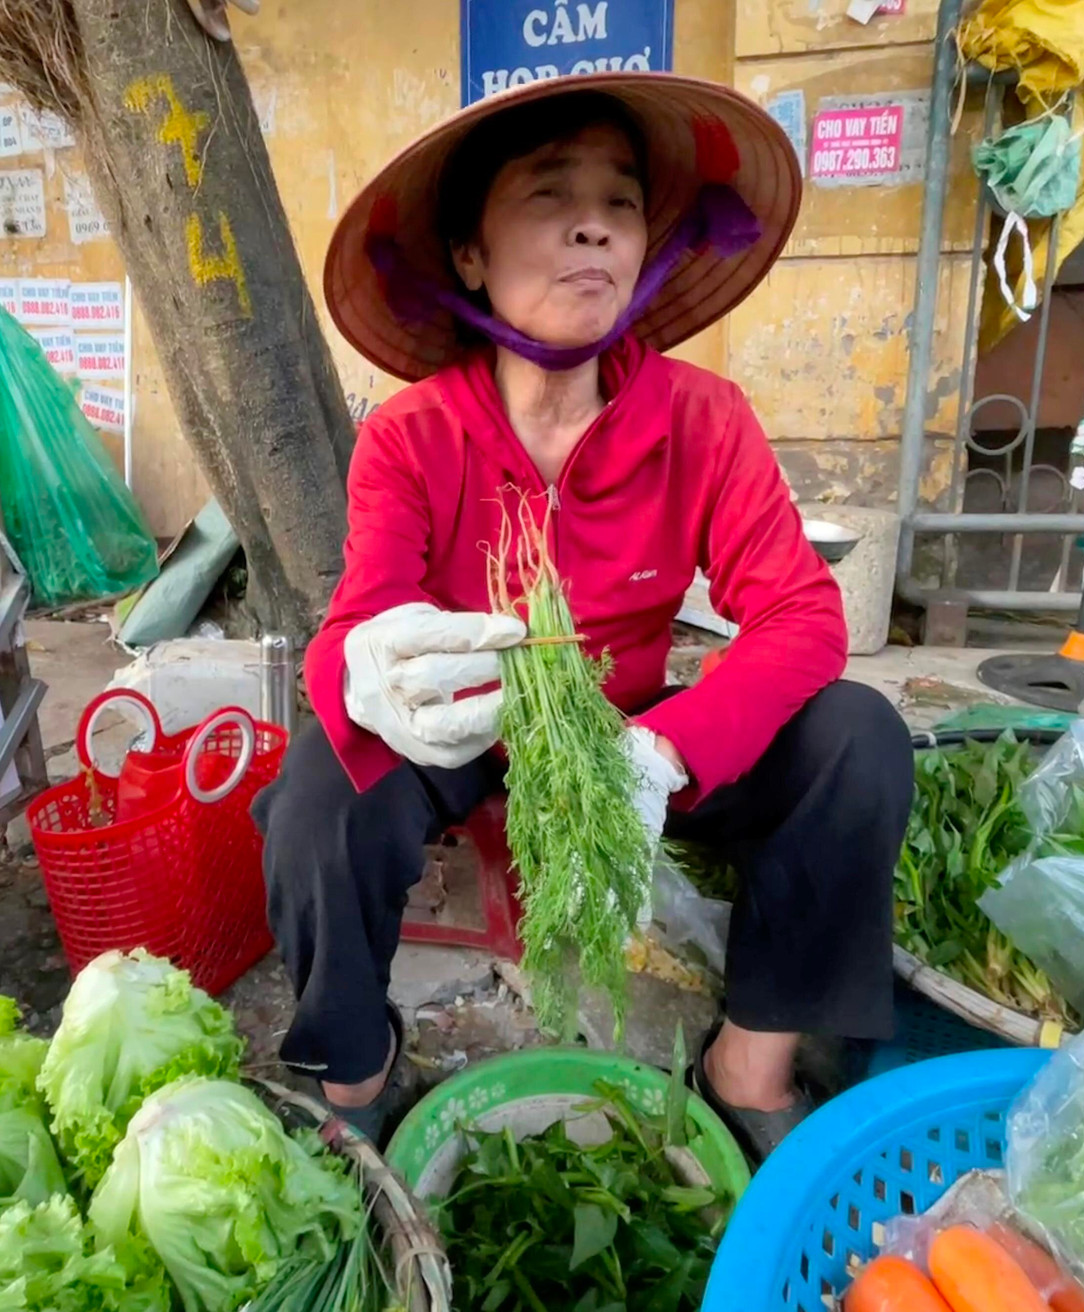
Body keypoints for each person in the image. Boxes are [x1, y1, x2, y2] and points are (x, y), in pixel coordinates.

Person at [250, 72, 914, 1159]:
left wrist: (662, 751)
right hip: (470, 731)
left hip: (633, 735)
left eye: (620, 201)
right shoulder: (413, 435)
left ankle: (748, 1065)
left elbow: (801, 615)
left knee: (859, 735)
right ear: (471, 253)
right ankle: (361, 1070)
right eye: (550, 194)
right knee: (318, 792)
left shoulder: (701, 417)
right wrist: (364, 670)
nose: (594, 224)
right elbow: (360, 619)